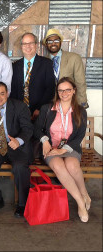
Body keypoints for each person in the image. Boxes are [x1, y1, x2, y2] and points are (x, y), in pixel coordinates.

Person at [34, 77, 90, 223]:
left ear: (73, 91)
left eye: (67, 90)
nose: (64, 93)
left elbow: (79, 135)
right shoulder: (47, 109)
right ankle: (80, 202)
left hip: (71, 147)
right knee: (59, 165)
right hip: (51, 147)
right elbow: (36, 129)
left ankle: (85, 194)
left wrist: (63, 150)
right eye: (61, 90)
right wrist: (45, 141)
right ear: (57, 92)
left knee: (72, 165)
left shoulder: (80, 111)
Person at [0, 82, 33, 217]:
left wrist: (18, 140)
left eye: (2, 94)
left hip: (15, 145)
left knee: (19, 167)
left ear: (7, 93)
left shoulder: (19, 107)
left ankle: (23, 204)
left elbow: (28, 129)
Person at [10, 32, 55, 121]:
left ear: (36, 45)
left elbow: (50, 89)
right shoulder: (15, 65)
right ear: (21, 46)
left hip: (39, 112)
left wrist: (39, 109)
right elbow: (13, 89)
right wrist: (17, 109)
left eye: (31, 43)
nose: (28, 46)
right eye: (25, 44)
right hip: (20, 112)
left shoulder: (46, 63)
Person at [43, 28, 88, 108]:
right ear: (46, 44)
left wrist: (82, 104)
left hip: (71, 103)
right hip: (50, 105)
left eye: (56, 40)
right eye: (50, 41)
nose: (53, 43)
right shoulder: (42, 61)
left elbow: (80, 83)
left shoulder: (74, 58)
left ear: (60, 42)